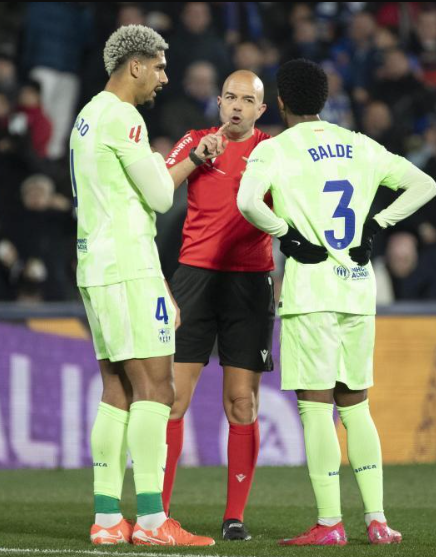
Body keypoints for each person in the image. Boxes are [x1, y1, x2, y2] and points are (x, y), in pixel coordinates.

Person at [237, 59, 436, 546]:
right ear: (323, 100)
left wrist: (286, 236)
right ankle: (377, 520)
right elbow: (425, 185)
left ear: (280, 102)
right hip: (356, 288)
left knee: (315, 407)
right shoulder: (360, 145)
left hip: (310, 294)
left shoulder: (277, 149)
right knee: (356, 406)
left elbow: (247, 202)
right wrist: (376, 226)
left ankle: (330, 524)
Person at [69, 25, 212, 547]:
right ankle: (153, 520)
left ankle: (108, 518)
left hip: (96, 265)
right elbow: (157, 195)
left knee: (118, 390)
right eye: (158, 67)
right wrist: (186, 158)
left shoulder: (85, 117)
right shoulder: (123, 117)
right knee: (158, 388)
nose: (164, 78)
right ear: (135, 66)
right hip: (127, 264)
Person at [161, 69, 271, 542]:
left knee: (241, 403)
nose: (236, 106)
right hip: (195, 279)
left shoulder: (273, 151)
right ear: (219, 101)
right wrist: (196, 161)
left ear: (260, 110)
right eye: (230, 97)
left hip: (249, 283)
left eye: (247, 100)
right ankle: (155, 515)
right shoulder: (195, 140)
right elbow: (159, 188)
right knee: (171, 401)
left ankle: (234, 518)